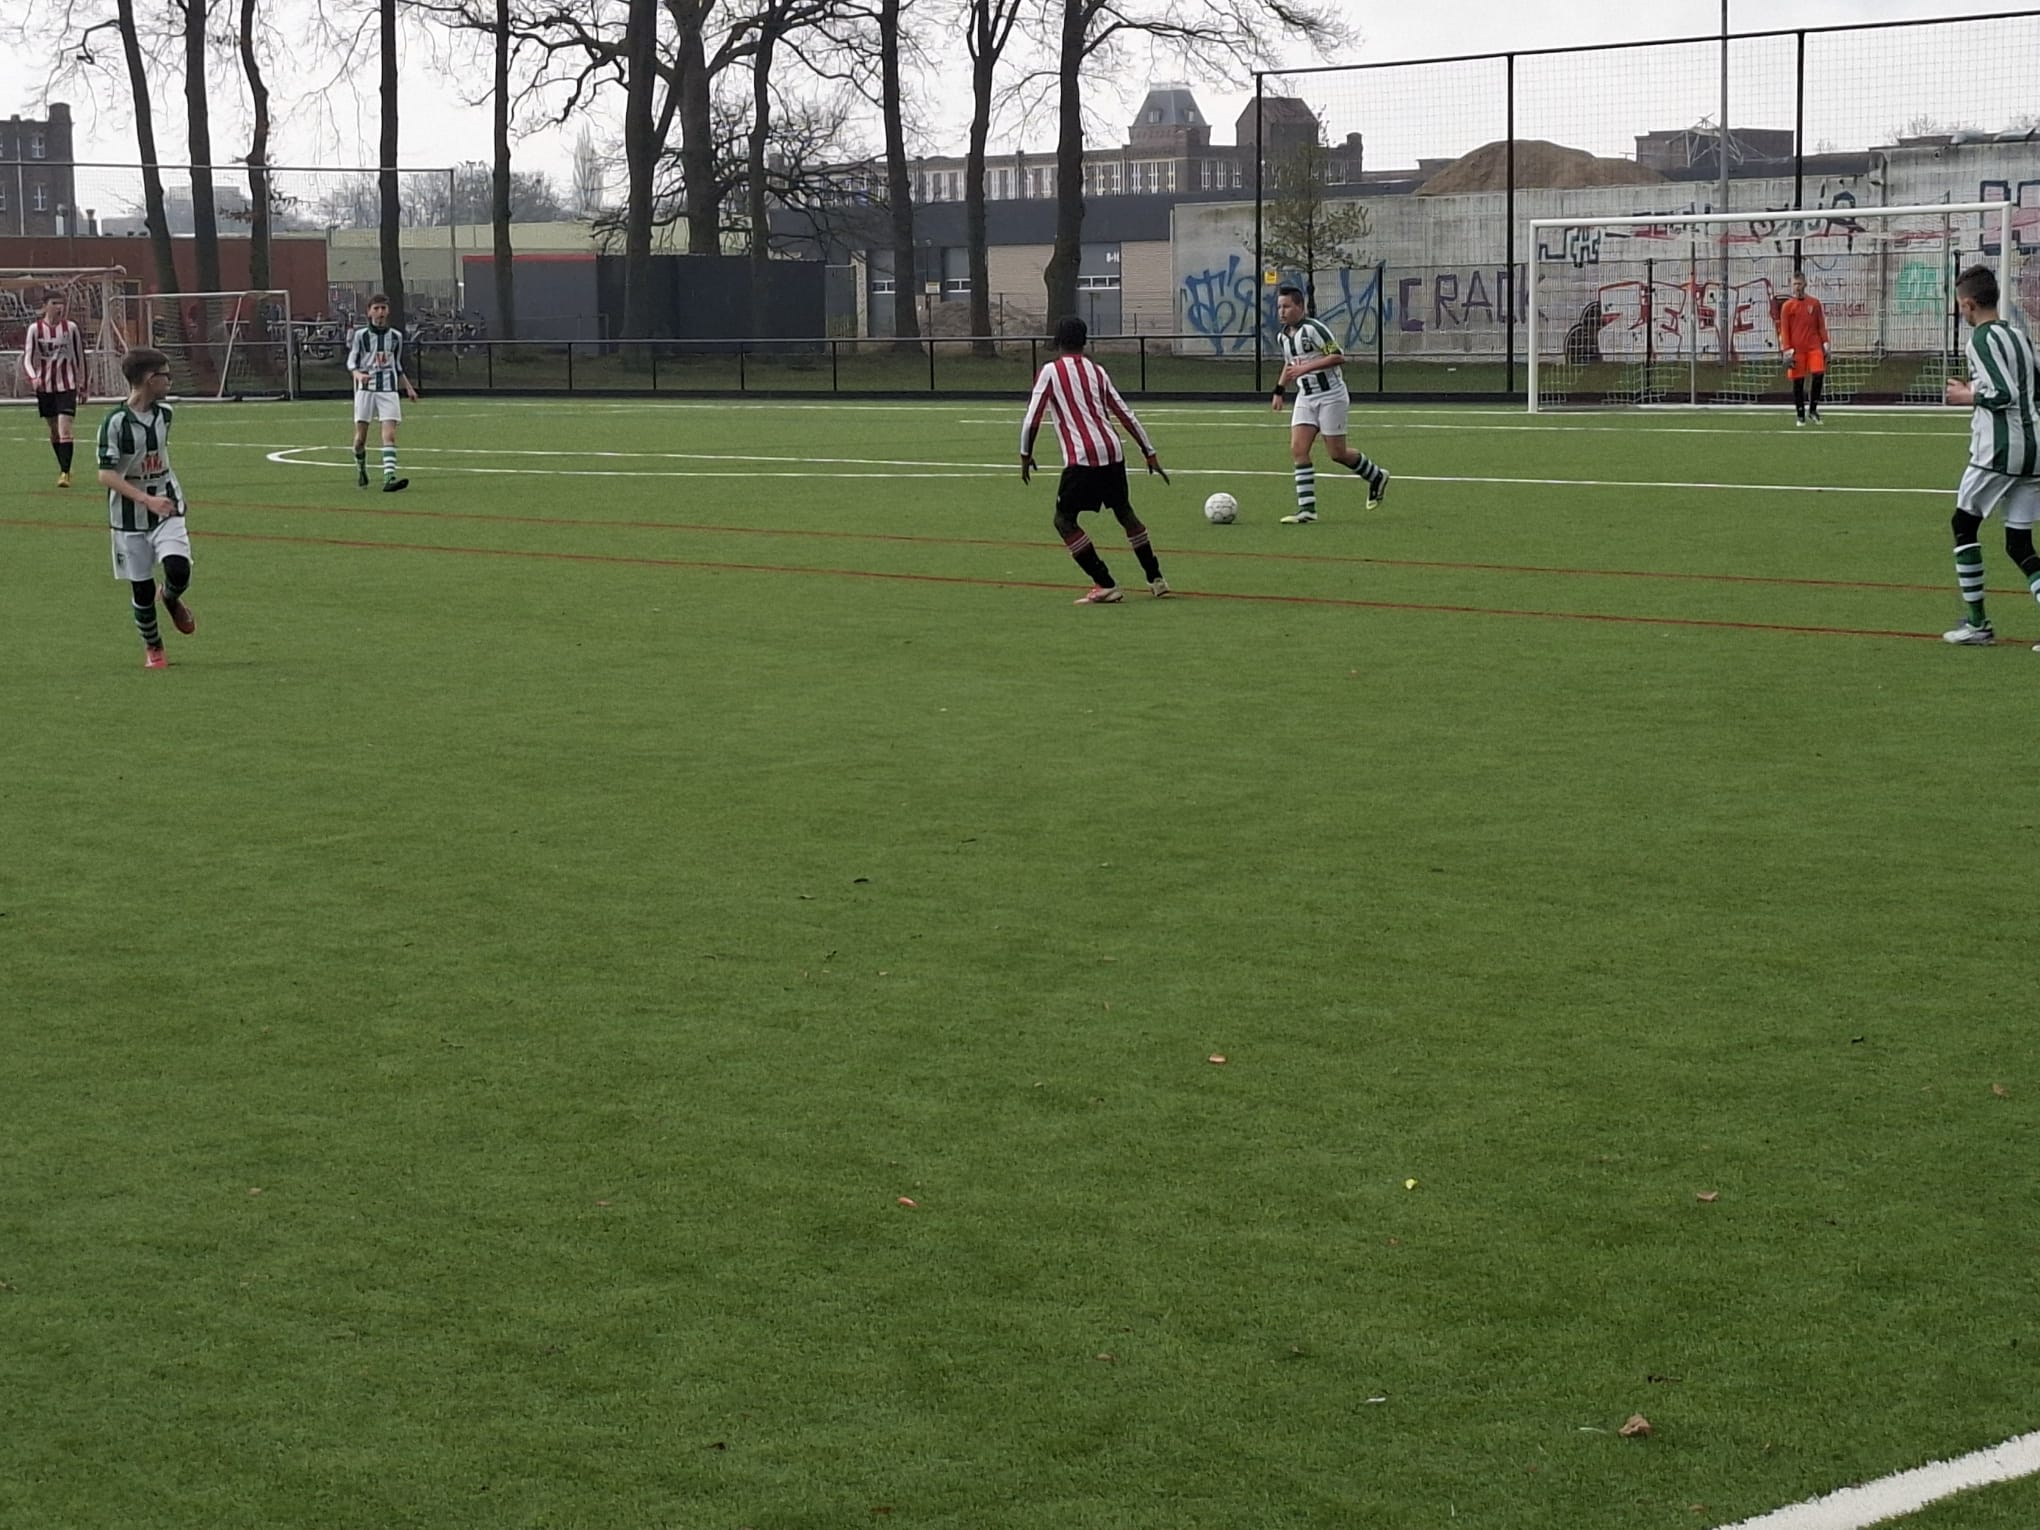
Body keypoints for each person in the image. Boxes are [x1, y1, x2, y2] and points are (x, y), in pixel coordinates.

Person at [1020, 315, 1172, 604]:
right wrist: (1149, 452)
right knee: (1124, 512)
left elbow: (1032, 418)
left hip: (1082, 458)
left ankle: (1105, 583)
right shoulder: (1097, 371)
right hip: (1113, 452)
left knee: (1064, 520)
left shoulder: (1050, 371)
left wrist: (1025, 454)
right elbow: (1125, 413)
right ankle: (1156, 578)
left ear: (1057, 341)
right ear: (1085, 341)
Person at [1938, 264, 2040, 648]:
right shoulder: (2018, 336)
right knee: (2019, 544)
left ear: (1968, 304)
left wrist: (1968, 395)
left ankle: (1978, 624)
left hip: (1999, 451)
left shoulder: (1980, 340)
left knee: (1963, 525)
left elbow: (2003, 394)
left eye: (1960, 305)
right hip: (2034, 449)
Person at [94, 348, 195, 671]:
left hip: (167, 504)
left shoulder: (165, 415)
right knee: (141, 588)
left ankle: (171, 597)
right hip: (128, 516)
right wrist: (144, 499)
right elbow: (106, 474)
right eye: (165, 375)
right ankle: (154, 646)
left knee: (179, 569)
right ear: (150, 379)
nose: (170, 380)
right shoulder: (115, 422)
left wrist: (161, 496)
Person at [1271, 285, 1388, 523]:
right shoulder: (1283, 336)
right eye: (1279, 307)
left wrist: (1305, 368)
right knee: (1298, 449)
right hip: (1305, 397)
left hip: (1331, 396)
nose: (1282, 312)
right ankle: (1307, 510)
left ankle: (1376, 476)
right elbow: (1290, 364)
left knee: (1337, 453)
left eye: (1286, 306)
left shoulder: (1314, 329)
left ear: (1300, 307)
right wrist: (1279, 390)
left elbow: (1337, 356)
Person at [346, 293, 420, 492]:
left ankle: (389, 478)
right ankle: (361, 469)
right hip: (365, 391)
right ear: (369, 312)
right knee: (360, 439)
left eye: (383, 308)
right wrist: (358, 375)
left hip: (388, 390)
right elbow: (351, 362)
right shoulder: (360, 336)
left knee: (390, 435)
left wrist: (408, 387)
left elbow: (396, 365)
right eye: (376, 308)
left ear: (388, 311)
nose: (380, 312)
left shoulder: (396, 337)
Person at [22, 290, 88, 487]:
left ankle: (65, 473)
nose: (59, 307)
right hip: (45, 386)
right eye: (54, 303)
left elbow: (80, 356)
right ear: (45, 306)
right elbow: (27, 357)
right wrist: (34, 377)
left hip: (67, 385)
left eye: (61, 303)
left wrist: (83, 384)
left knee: (65, 429)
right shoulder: (35, 329)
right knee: (54, 431)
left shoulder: (71, 328)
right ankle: (63, 466)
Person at [1776, 271, 1830, 426]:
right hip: (1797, 349)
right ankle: (1800, 414)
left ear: (1805, 284)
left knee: (1818, 373)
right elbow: (1785, 330)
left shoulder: (1814, 303)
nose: (1797, 287)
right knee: (1798, 381)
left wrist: (1825, 342)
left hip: (1814, 346)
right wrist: (1787, 350)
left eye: (1799, 284)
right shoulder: (1787, 306)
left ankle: (1813, 410)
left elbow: (1821, 325)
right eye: (1794, 284)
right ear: (1791, 286)